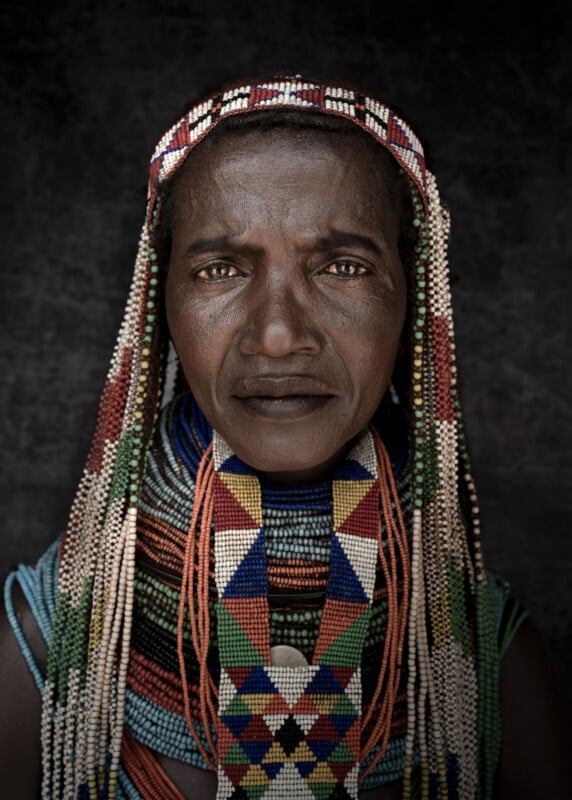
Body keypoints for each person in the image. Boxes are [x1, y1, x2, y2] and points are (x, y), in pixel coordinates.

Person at [0, 76, 569, 800]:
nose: (277, 335)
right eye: (220, 268)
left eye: (343, 266)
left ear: (413, 299)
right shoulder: (48, 649)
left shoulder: (490, 667)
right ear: (160, 303)